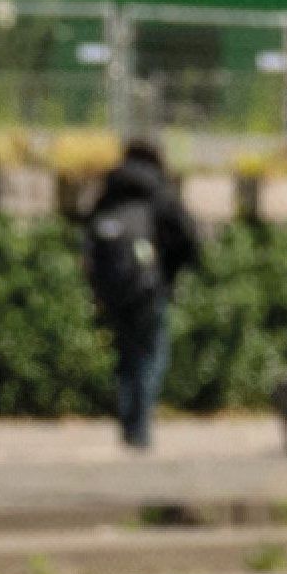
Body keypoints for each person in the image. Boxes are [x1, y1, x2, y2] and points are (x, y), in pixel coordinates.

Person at [77, 141, 202, 450]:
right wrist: (170, 276)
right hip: (149, 287)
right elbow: (186, 240)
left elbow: (87, 237)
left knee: (126, 354)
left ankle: (127, 421)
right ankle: (140, 426)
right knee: (150, 355)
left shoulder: (109, 191)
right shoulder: (159, 192)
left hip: (114, 288)